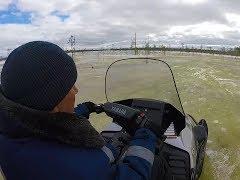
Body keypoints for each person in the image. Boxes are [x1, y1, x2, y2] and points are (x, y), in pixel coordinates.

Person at [0, 41, 169, 180]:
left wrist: (80, 111)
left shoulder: (9, 136)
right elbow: (133, 175)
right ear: (53, 102)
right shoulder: (76, 170)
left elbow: (46, 125)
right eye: (69, 87)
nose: (76, 90)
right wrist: (145, 137)